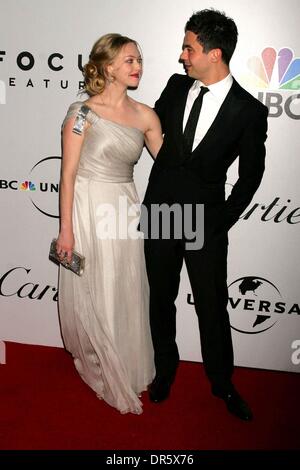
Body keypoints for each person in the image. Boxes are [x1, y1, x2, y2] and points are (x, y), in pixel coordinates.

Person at [142, 9, 268, 421]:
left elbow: (251, 175)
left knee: (211, 305)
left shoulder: (247, 111)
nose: (182, 57)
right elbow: (153, 135)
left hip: (204, 221)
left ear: (215, 54)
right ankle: (164, 371)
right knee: (161, 298)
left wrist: (221, 220)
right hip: (161, 211)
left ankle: (222, 382)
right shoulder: (176, 87)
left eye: (189, 48)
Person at [56, 33, 162, 415]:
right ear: (109, 66)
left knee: (126, 286)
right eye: (130, 60)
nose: (138, 66)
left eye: (139, 60)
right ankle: (101, 363)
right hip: (86, 204)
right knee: (96, 287)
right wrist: (66, 229)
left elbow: (170, 168)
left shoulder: (146, 114)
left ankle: (127, 364)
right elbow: (67, 174)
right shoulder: (83, 112)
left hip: (124, 207)